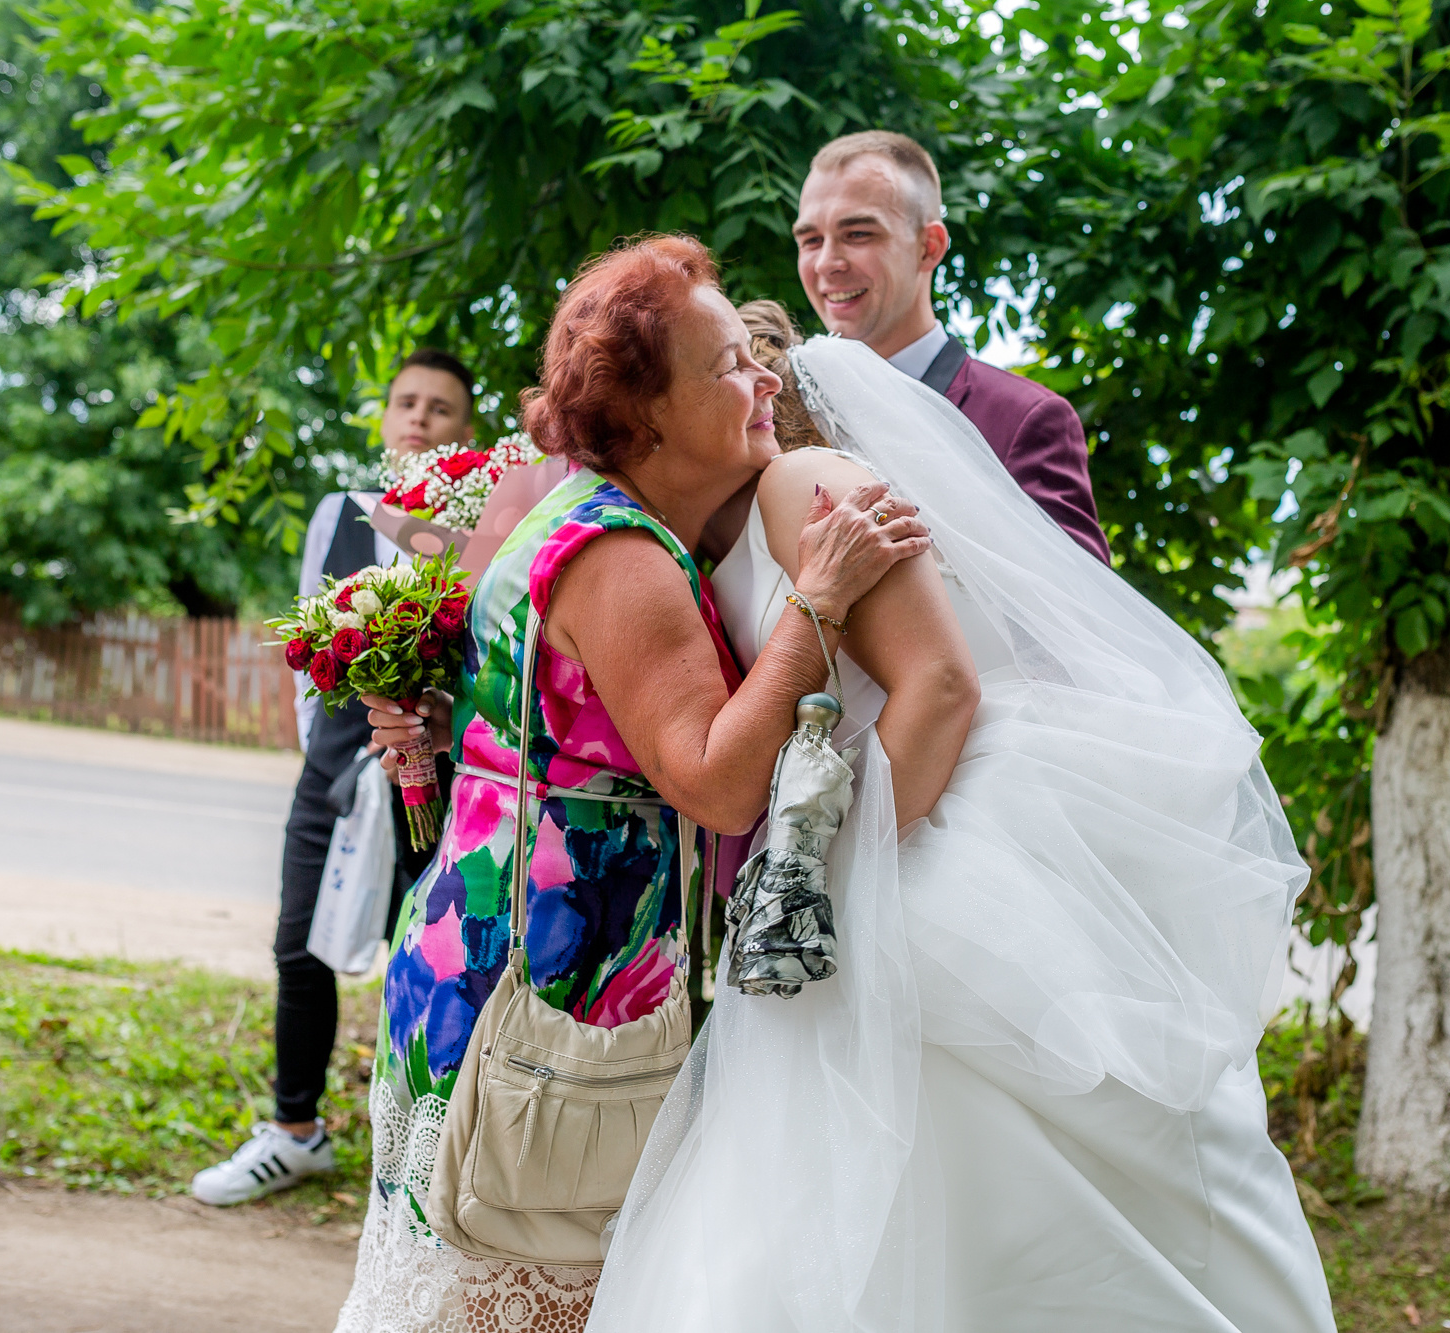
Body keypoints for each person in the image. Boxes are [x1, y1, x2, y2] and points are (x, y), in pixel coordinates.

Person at [583, 306, 1336, 1330]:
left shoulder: (804, 486)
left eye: (755, 369)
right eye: (724, 370)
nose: (754, 386)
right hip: (885, 820)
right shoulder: (698, 538)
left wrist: (830, 873)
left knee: (977, 1146)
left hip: (935, 826)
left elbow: (941, 685)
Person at [333, 236, 929, 1332]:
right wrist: (822, 598)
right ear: (646, 414)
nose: (764, 379)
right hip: (553, 1006)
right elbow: (716, 784)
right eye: (728, 367)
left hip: (480, 968)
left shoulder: (577, 517)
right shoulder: (622, 556)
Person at [191, 349, 476, 1207]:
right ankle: (294, 1133)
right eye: (406, 402)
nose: (419, 417)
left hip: (438, 781)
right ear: (385, 418)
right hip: (336, 772)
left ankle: (418, 1157)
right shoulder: (340, 514)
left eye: (440, 408)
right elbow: (304, 643)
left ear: (465, 430)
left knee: (425, 960)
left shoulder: (482, 530)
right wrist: (323, 753)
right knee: (298, 944)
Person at [793, 130, 1112, 563]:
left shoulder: (1026, 419)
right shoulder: (780, 411)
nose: (827, 262)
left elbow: (1078, 600)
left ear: (929, 247)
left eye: (859, 234)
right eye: (811, 240)